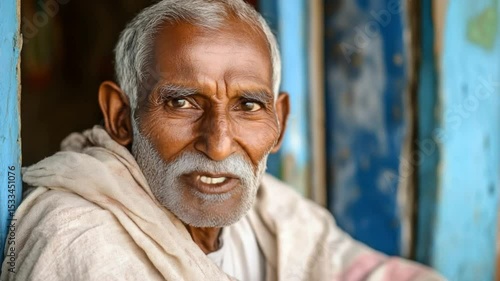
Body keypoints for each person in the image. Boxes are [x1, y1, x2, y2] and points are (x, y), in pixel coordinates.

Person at [1, 0, 445, 280]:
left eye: (248, 106)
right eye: (182, 103)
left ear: (280, 122)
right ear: (121, 118)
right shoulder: (77, 240)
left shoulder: (270, 213)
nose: (218, 144)